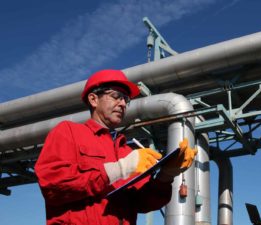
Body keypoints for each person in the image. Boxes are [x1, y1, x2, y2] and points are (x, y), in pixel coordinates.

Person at [35, 69, 197, 225]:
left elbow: (143, 203)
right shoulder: (68, 132)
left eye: (125, 99)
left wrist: (166, 176)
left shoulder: (126, 151)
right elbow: (53, 187)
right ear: (93, 99)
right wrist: (119, 169)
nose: (122, 104)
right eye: (116, 96)